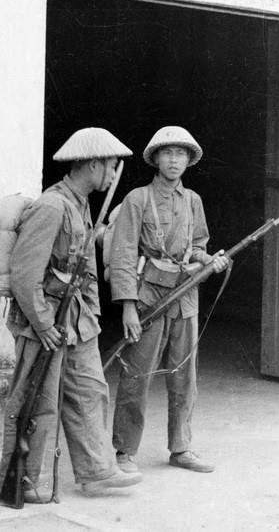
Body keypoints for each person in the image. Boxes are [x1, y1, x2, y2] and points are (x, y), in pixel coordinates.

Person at [1, 127, 143, 502]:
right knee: (37, 403)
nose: (113, 176)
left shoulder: (80, 204)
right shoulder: (51, 206)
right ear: (93, 165)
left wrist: (92, 315)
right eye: (111, 167)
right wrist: (44, 325)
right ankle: (22, 481)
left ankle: (97, 470)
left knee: (91, 391)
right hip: (44, 321)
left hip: (77, 321)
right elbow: (24, 275)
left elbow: (87, 268)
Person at [109, 126, 229, 474]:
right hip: (149, 297)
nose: (174, 160)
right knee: (137, 375)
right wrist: (129, 306)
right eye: (168, 153)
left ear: (189, 160)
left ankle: (181, 448)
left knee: (184, 376)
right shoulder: (138, 199)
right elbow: (124, 254)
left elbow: (197, 246)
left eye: (181, 154)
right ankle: (124, 451)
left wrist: (208, 260)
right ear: (156, 159)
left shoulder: (193, 200)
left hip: (185, 297)